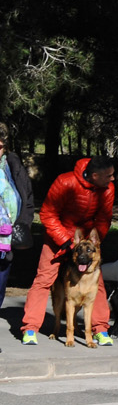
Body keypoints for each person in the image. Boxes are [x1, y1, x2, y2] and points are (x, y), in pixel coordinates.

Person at [20, 156, 115, 345]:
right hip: (58, 238)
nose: (112, 179)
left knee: (98, 283)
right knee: (44, 279)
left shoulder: (107, 189)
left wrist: (94, 245)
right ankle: (30, 328)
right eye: (108, 176)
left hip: (85, 240)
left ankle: (100, 329)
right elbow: (48, 213)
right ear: (94, 175)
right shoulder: (65, 181)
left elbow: (104, 219)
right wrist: (65, 241)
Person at [0, 122, 35, 316]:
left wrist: (23, 224)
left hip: (6, 242)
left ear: (4, 146)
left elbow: (27, 198)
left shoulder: (13, 166)